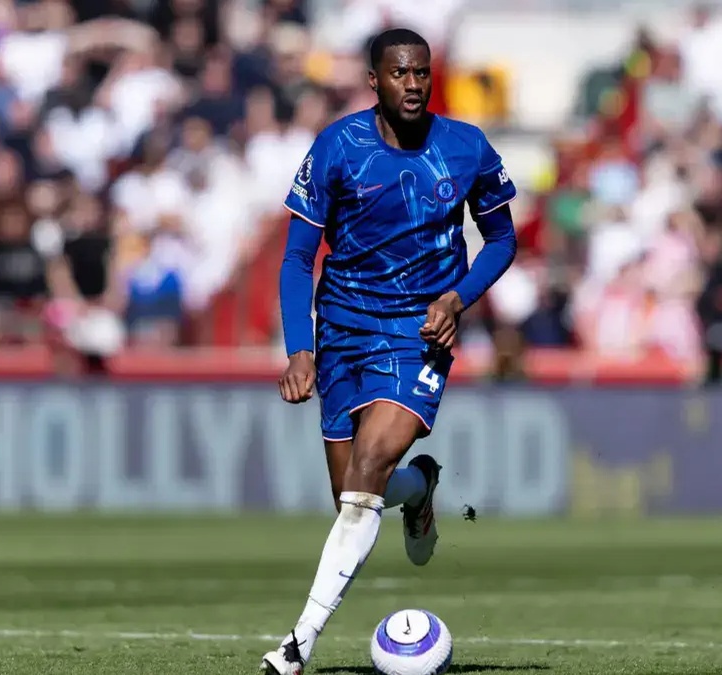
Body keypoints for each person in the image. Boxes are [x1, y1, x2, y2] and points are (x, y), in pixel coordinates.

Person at [261, 27, 518, 675]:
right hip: (343, 329)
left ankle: (298, 642)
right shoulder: (337, 147)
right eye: (400, 73)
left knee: (369, 464)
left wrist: (457, 298)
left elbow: (501, 240)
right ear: (374, 81)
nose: (413, 84)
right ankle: (420, 486)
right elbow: (296, 259)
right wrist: (300, 350)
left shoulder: (466, 147)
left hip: (418, 333)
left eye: (421, 73)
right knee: (352, 490)